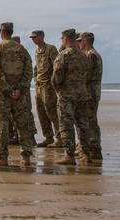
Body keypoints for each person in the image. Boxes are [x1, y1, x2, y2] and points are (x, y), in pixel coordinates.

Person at [0, 22, 35, 168]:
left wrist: (8, 90)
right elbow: (29, 73)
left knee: (1, 126)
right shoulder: (22, 50)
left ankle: (3, 158)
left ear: (2, 32)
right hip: (19, 95)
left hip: (2, 94)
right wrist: (19, 89)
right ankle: (26, 158)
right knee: (23, 126)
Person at [51, 28, 92, 165]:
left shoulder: (63, 55)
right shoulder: (84, 55)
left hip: (67, 96)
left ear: (65, 39)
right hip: (81, 94)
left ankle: (69, 155)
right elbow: (87, 75)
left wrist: (59, 90)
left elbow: (56, 77)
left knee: (66, 125)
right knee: (83, 125)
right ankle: (86, 153)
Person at [30, 29, 60, 148]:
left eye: (35, 37)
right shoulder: (37, 51)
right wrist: (36, 79)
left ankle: (60, 137)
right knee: (41, 112)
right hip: (39, 86)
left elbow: (57, 66)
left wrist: (53, 81)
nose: (33, 39)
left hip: (48, 86)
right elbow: (37, 67)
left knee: (52, 112)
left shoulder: (51, 49)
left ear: (41, 36)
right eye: (32, 38)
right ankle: (48, 137)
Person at [78, 32, 103, 162]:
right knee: (90, 119)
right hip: (92, 91)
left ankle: (94, 148)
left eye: (80, 41)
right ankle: (93, 147)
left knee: (90, 120)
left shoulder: (90, 55)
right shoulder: (93, 54)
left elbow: (85, 75)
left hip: (90, 92)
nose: (79, 44)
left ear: (86, 41)